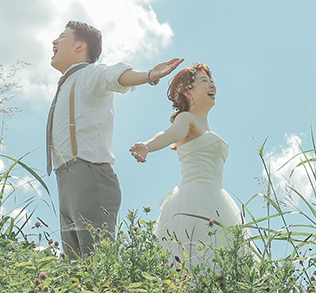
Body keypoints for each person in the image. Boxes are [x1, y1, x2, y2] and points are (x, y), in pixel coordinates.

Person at [46, 20, 183, 258]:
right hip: (65, 178)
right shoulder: (66, 84)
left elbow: (114, 75)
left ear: (80, 46)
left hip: (89, 175)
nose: (54, 41)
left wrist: (148, 75)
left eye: (62, 36)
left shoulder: (90, 74)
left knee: (98, 265)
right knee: (75, 271)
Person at [129, 63, 246, 273]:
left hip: (216, 196)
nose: (212, 85)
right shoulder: (186, 119)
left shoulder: (205, 126)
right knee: (193, 258)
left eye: (212, 81)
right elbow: (169, 134)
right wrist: (147, 146)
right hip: (194, 198)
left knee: (224, 259)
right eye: (204, 81)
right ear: (187, 92)